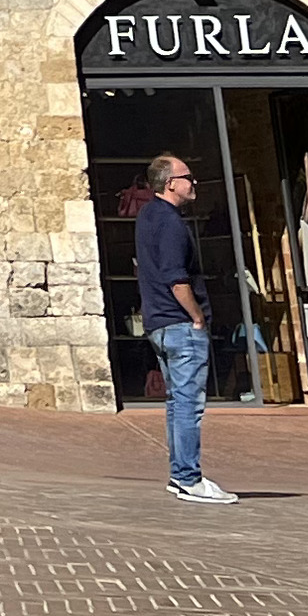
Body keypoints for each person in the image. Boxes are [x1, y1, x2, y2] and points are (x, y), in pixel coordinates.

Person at [133, 153, 237, 505]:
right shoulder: (171, 223)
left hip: (159, 324)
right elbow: (177, 278)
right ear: (170, 183)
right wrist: (197, 316)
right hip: (179, 325)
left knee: (177, 402)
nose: (194, 183)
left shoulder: (147, 216)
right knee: (189, 404)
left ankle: (180, 476)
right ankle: (188, 478)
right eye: (188, 177)